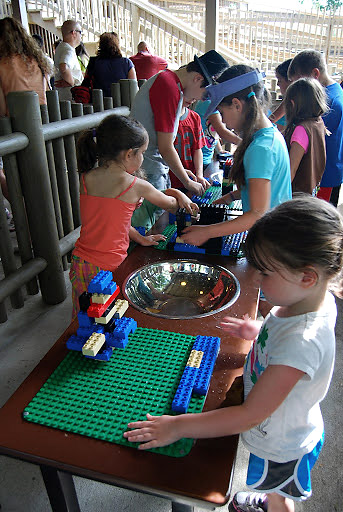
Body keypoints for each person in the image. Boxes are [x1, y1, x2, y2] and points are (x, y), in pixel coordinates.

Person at [124, 195, 343, 512]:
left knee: (281, 495)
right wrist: (257, 333)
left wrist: (178, 426)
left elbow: (249, 415)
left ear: (306, 276)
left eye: (265, 273)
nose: (255, 278)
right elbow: (284, 341)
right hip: (280, 424)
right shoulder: (309, 300)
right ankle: (269, 499)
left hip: (283, 443)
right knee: (271, 487)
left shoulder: (302, 342)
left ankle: (273, 506)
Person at [70, 114, 197, 318]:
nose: (143, 158)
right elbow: (172, 205)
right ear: (129, 154)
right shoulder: (135, 185)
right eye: (143, 153)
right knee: (111, 316)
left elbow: (113, 223)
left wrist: (141, 239)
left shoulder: (87, 178)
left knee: (85, 317)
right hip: (109, 266)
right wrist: (179, 192)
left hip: (81, 263)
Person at [181, 64, 291, 248]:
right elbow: (265, 188)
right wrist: (230, 197)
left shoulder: (260, 149)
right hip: (276, 234)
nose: (222, 121)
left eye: (222, 113)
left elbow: (257, 213)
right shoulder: (270, 135)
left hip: (270, 242)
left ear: (237, 105)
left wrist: (207, 231)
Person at [130, 50, 229, 195]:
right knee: (156, 215)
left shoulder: (169, 81)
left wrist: (181, 172)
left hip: (151, 166)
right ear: (197, 78)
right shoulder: (169, 88)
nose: (203, 100)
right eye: (206, 94)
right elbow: (165, 147)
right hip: (148, 170)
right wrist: (187, 182)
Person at [0, 17, 52, 202]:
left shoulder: (2, 63)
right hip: (41, 119)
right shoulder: (37, 61)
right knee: (43, 171)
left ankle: (20, 211)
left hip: (13, 123)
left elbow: (2, 106)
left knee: (14, 175)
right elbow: (47, 93)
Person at [288, 49, 343, 207]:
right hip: (324, 175)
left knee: (318, 224)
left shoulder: (327, 104)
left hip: (324, 178)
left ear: (315, 74)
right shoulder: (334, 91)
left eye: (299, 82)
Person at [283, 77, 328, 195]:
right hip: (311, 191)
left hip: (296, 196)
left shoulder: (301, 130)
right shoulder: (318, 122)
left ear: (292, 104)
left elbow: (290, 173)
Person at [193, 98, 241, 178]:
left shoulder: (217, 104)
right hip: (197, 159)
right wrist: (245, 143)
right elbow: (222, 131)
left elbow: (214, 133)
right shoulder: (208, 103)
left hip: (206, 158)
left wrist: (220, 150)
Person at [170, 98, 209, 191]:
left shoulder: (195, 117)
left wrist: (199, 174)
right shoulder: (166, 119)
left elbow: (197, 149)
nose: (192, 98)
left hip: (192, 180)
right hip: (170, 180)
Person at [82, 32, 136, 98]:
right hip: (122, 103)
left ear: (100, 45)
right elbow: (133, 86)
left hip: (98, 102)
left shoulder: (93, 62)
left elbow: (86, 83)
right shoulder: (127, 63)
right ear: (117, 45)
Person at [54, 19, 83, 101]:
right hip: (71, 97)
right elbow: (64, 66)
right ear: (74, 33)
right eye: (80, 32)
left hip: (63, 97)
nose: (81, 36)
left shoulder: (61, 47)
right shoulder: (68, 50)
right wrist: (71, 83)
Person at [268, 58, 292, 130]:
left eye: (280, 80)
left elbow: (270, 121)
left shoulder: (291, 100)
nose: (278, 84)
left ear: (290, 80)